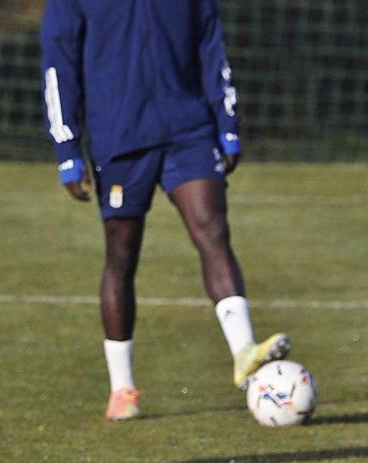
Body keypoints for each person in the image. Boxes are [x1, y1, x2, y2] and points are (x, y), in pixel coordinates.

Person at [40, 0, 290, 421]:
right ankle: (122, 389)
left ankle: (245, 352)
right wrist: (67, 147)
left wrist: (226, 122)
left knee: (212, 231)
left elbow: (211, 45)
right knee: (121, 256)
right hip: (119, 138)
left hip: (188, 130)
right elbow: (57, 65)